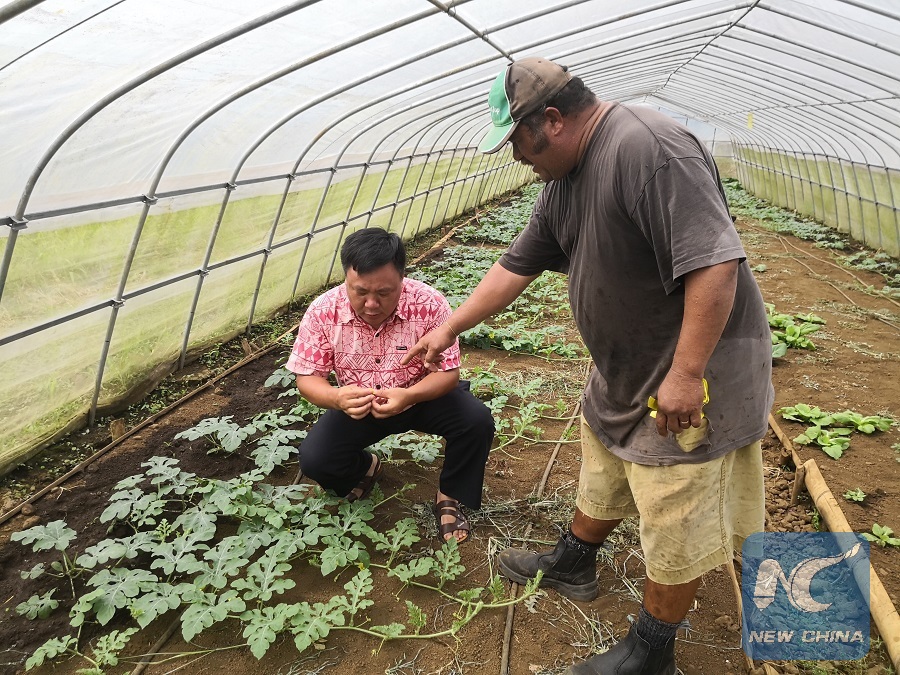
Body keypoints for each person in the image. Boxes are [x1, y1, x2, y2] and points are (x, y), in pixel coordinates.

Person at [401, 58, 774, 674]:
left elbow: (715, 264)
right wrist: (447, 328)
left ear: (551, 120)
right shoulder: (564, 179)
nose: (515, 156)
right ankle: (573, 561)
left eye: (517, 141)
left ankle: (652, 651)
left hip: (690, 375)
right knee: (604, 461)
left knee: (674, 507)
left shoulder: (648, 149)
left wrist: (687, 374)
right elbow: (515, 266)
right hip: (626, 371)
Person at [285, 227, 494, 543]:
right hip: (360, 405)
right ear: (346, 279)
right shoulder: (324, 311)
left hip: (422, 395)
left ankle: (450, 493)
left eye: (384, 293)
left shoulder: (428, 303)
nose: (371, 303)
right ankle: (366, 468)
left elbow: (448, 373)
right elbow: (307, 377)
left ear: (402, 279)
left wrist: (408, 395)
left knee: (476, 421)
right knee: (317, 459)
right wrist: (337, 398)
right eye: (360, 291)